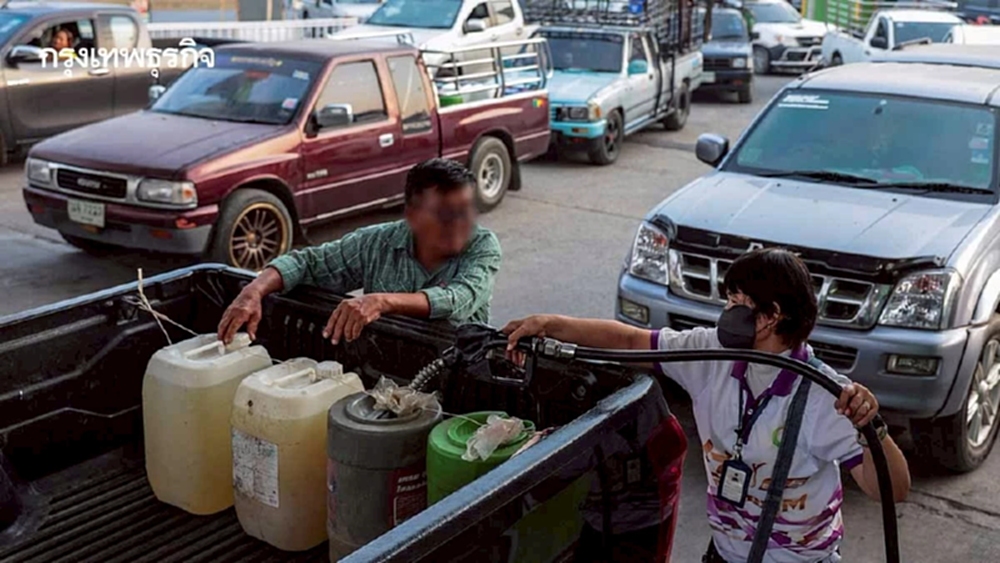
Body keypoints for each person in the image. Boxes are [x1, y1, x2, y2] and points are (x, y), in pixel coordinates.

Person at [503, 248, 911, 563]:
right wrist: (550, 325)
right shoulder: (709, 354)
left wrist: (871, 426)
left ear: (769, 317)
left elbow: (894, 490)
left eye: (735, 301)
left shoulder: (826, 396)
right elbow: (630, 341)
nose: (725, 312)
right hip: (724, 554)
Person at [217, 158, 502, 345]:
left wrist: (381, 301)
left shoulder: (482, 246)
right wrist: (253, 291)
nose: (458, 224)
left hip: (459, 370)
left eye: (464, 211)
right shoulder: (375, 242)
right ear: (412, 214)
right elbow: (308, 263)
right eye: (443, 214)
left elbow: (456, 299)